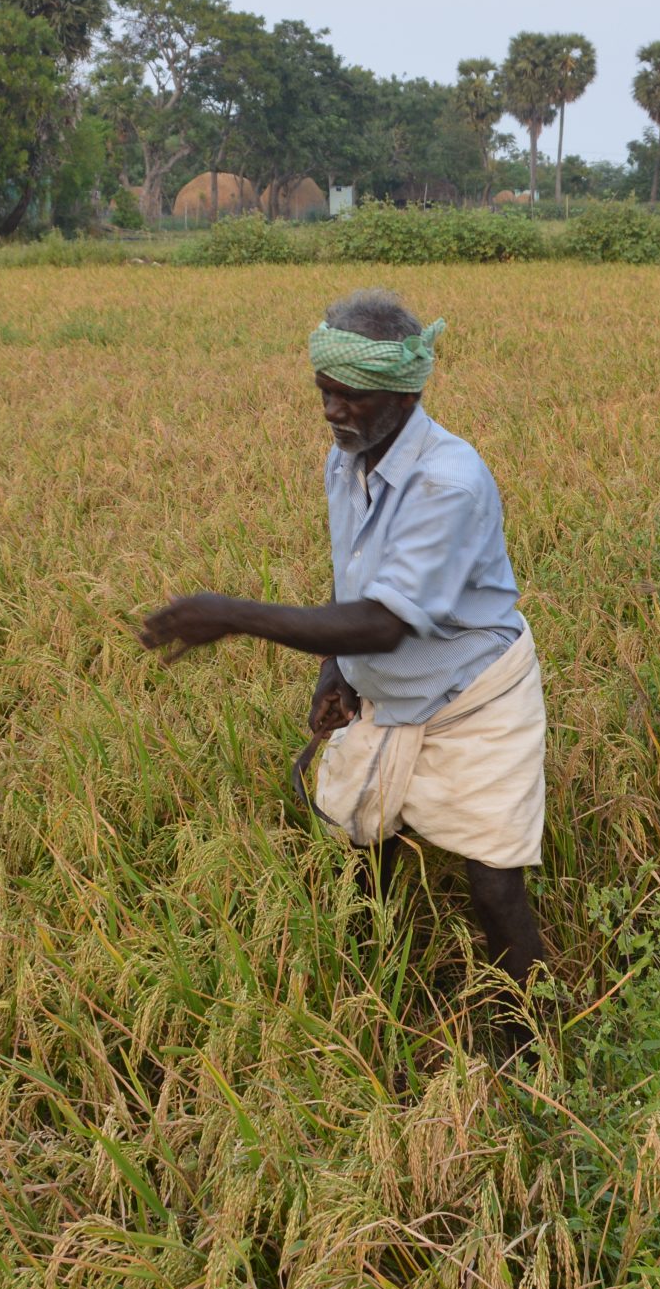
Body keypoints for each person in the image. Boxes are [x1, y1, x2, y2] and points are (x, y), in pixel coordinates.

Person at [137, 290, 550, 999]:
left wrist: (232, 614)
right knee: (365, 835)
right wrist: (337, 670)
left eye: (349, 396)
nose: (332, 411)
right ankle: (380, 981)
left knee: (493, 884)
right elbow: (355, 577)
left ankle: (532, 1039)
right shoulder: (347, 460)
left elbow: (384, 623)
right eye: (324, 392)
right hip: (391, 689)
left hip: (473, 697)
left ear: (405, 390)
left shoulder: (448, 483)